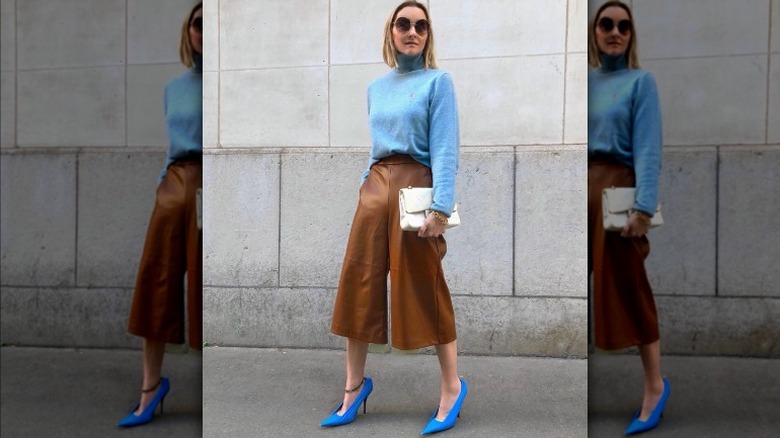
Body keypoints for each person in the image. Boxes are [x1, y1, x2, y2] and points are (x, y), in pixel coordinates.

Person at [320, 1, 466, 434]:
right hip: (375, 192)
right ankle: (353, 386)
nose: (412, 31)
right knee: (358, 285)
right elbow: (377, 144)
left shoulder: (438, 82)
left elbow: (445, 148)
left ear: (428, 35)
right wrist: (366, 183)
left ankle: (452, 386)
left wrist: (441, 208)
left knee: (426, 287)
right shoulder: (376, 87)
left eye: (421, 25)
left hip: (415, 192)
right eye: (404, 23)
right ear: (391, 31)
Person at [117, 2, 203, 428]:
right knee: (157, 283)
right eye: (197, 24)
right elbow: (172, 146)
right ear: (187, 33)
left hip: (209, 186)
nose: (204, 31)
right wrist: (162, 185)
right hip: (174, 186)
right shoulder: (174, 87)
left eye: (211, 25)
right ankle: (150, 386)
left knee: (205, 289)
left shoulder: (224, 85)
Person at [588, 1, 670, 435]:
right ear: (595, 31)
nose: (615, 31)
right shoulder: (585, 81)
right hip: (581, 190)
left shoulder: (641, 82)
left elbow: (649, 147)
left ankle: (655, 386)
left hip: (618, 191)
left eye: (624, 25)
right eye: (606, 24)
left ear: (631, 34)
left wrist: (643, 207)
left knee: (631, 287)